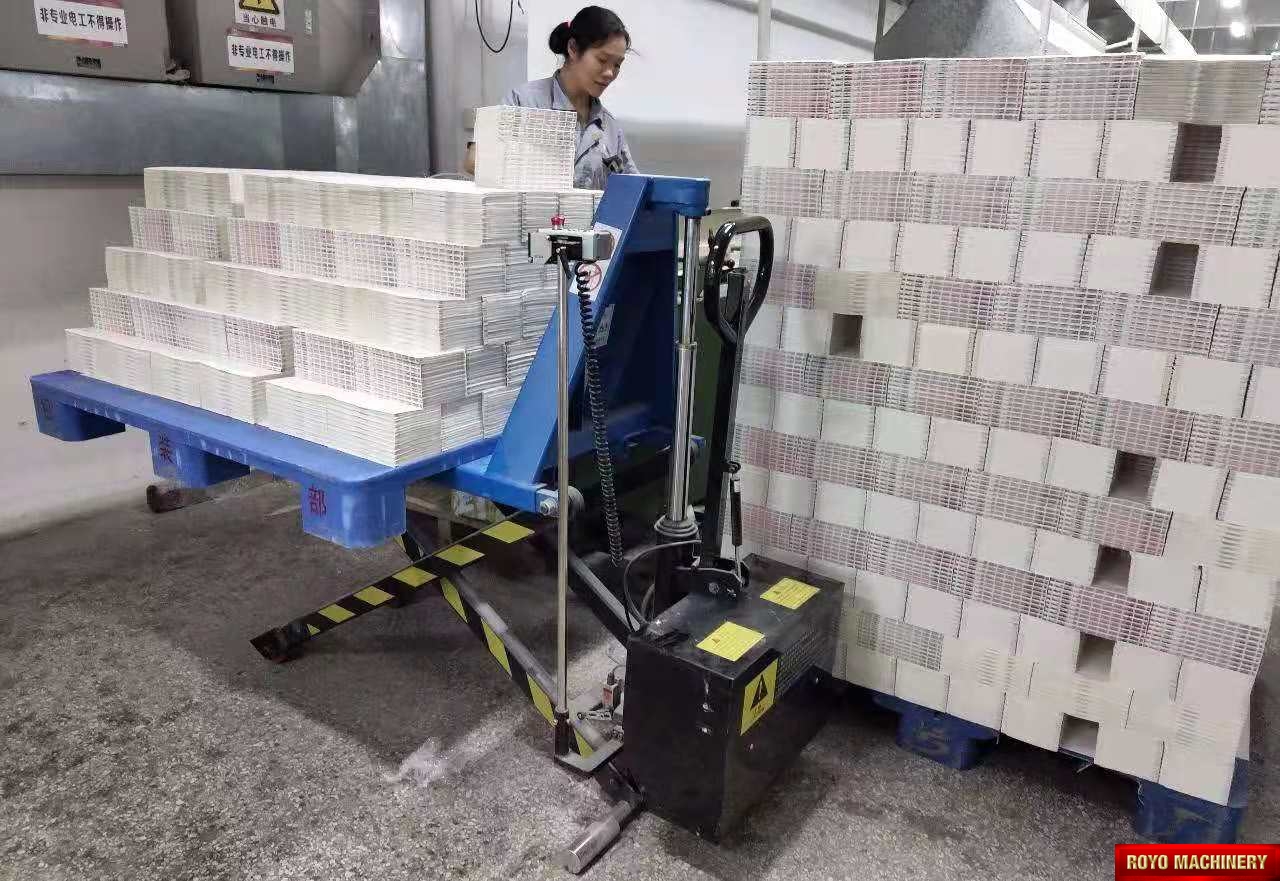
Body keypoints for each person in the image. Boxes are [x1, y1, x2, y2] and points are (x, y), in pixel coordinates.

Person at [469, 6, 638, 190]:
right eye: (602, 60)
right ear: (573, 48)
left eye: (617, 65)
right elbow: (474, 160)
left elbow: (633, 186)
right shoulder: (524, 102)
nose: (609, 73)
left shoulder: (609, 127)